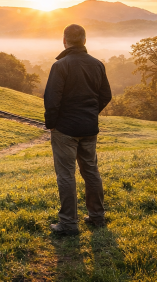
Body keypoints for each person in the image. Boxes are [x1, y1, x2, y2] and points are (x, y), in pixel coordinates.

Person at [44, 24, 112, 235]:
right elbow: (105, 95)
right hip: (89, 127)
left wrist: (52, 124)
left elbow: (52, 100)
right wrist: (91, 112)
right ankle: (97, 216)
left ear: (64, 41)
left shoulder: (61, 66)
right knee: (91, 171)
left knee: (66, 175)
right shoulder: (97, 65)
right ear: (84, 40)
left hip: (65, 129)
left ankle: (68, 223)